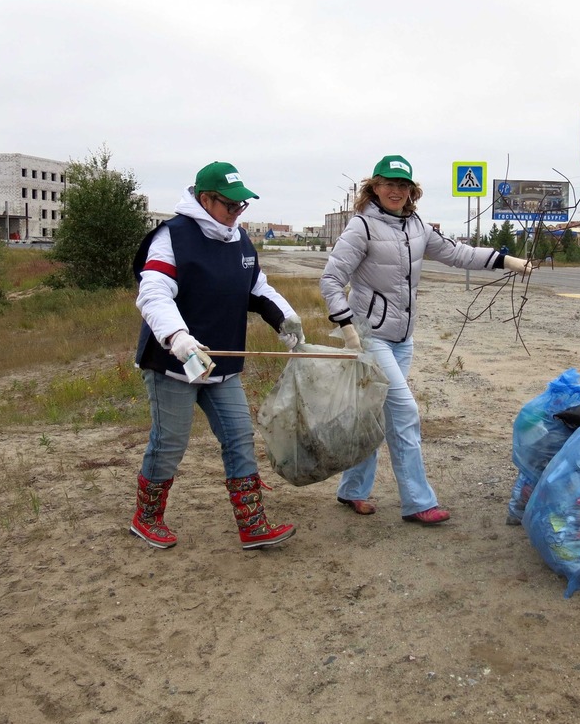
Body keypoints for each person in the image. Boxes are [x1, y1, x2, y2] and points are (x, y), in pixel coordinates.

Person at [320, 154, 532, 524]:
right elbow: (331, 280)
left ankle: (352, 490)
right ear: (374, 187)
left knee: (373, 413)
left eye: (402, 185)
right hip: (370, 338)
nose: (395, 191)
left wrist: (504, 260)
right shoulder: (362, 228)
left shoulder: (417, 227)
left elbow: (456, 253)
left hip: (403, 338)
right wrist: (347, 326)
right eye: (388, 184)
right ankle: (419, 502)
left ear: (411, 190)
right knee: (404, 413)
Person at [130, 161, 304, 550]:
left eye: (242, 206)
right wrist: (178, 337)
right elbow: (153, 291)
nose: (237, 213)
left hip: (221, 365)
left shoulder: (239, 240)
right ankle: (147, 517)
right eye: (230, 205)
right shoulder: (172, 237)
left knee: (239, 436)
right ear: (205, 199)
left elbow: (257, 289)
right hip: (174, 363)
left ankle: (253, 524)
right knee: (171, 441)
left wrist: (287, 321)